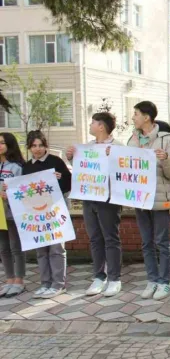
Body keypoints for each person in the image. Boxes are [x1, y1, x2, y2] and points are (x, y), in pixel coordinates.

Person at [66, 113, 124, 297]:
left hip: (108, 200)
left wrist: (113, 158)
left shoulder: (118, 147)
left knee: (110, 238)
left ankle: (114, 279)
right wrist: (71, 158)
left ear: (101, 126)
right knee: (94, 238)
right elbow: (81, 169)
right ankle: (99, 277)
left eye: (92, 122)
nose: (90, 125)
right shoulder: (88, 148)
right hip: (89, 198)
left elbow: (124, 171)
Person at [127, 101, 170, 300]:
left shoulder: (167, 140)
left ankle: (165, 283)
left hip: (159, 198)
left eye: (136, 114)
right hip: (140, 198)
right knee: (146, 242)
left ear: (147, 117)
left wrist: (166, 158)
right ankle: (152, 280)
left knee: (161, 242)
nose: (134, 118)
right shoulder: (132, 139)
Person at [22, 130, 72, 299]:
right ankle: (45, 283)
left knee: (56, 248)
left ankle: (58, 284)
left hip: (55, 212)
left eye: (41, 145)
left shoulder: (55, 161)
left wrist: (60, 178)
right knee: (41, 250)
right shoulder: (27, 166)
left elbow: (68, 184)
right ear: (29, 147)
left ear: (46, 146)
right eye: (34, 146)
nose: (37, 149)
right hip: (36, 215)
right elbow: (23, 192)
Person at [0, 133, 25, 298]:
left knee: (16, 247)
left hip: (12, 212)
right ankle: (9, 279)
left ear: (9, 144)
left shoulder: (16, 167)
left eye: (2, 142)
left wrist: (9, 193)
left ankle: (19, 280)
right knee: (3, 249)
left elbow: (22, 189)